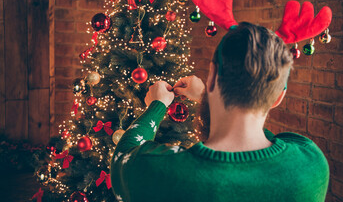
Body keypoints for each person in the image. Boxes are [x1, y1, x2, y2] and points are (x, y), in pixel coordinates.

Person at [110, 22, 330, 202]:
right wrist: (209, 95)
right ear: (278, 98)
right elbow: (264, 141)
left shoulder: (160, 171)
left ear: (213, 76)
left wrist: (156, 106)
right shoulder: (311, 163)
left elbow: (124, 154)